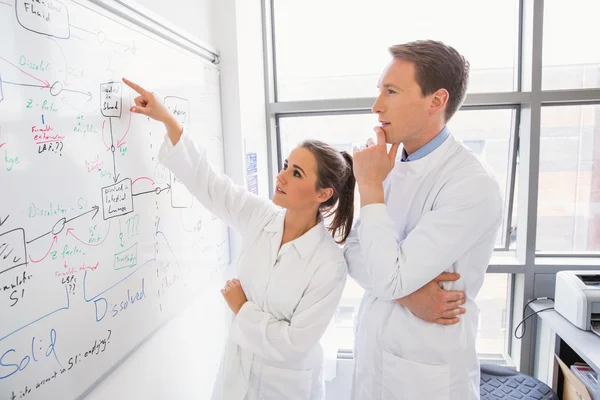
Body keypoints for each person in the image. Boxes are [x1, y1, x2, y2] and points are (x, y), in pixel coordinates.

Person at [122, 76, 466, 400]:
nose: (281, 176)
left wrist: (242, 308)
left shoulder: (329, 263)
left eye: (296, 172)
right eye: (287, 165)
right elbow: (210, 184)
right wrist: (168, 119)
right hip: (236, 375)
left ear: (323, 193)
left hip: (285, 387)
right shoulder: (261, 217)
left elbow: (294, 343)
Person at [346, 40, 504, 399]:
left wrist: (370, 186)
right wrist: (406, 294)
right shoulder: (389, 164)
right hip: (375, 358)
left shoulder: (471, 184)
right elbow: (353, 252)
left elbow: (387, 276)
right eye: (379, 91)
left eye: (391, 92)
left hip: (426, 375)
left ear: (437, 100)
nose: (376, 106)